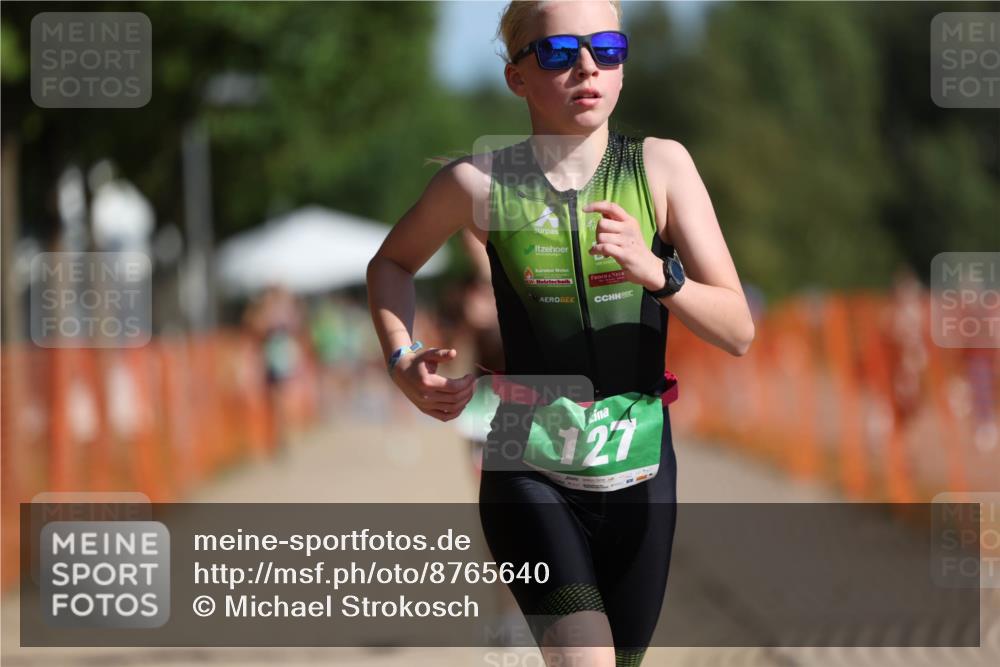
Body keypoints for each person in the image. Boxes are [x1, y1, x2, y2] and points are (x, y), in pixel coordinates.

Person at [367, 2, 754, 665]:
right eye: (557, 52)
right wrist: (401, 357)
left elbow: (739, 329)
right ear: (517, 77)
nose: (586, 66)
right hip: (529, 467)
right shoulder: (479, 183)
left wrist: (658, 272)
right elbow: (391, 263)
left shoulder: (661, 169)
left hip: (640, 466)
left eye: (607, 48)